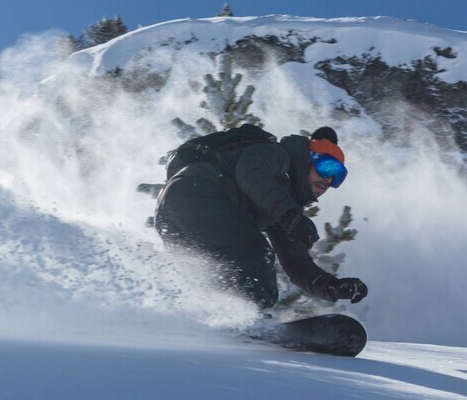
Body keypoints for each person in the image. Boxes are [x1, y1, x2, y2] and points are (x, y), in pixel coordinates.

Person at [154, 125, 368, 309]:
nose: (329, 180)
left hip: (172, 213)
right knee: (257, 260)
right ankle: (252, 324)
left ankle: (216, 320)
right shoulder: (278, 156)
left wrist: (332, 287)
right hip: (197, 190)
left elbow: (296, 263)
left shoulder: (283, 206)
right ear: (308, 159)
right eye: (327, 167)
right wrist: (291, 216)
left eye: (338, 176)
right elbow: (250, 172)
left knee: (212, 276)